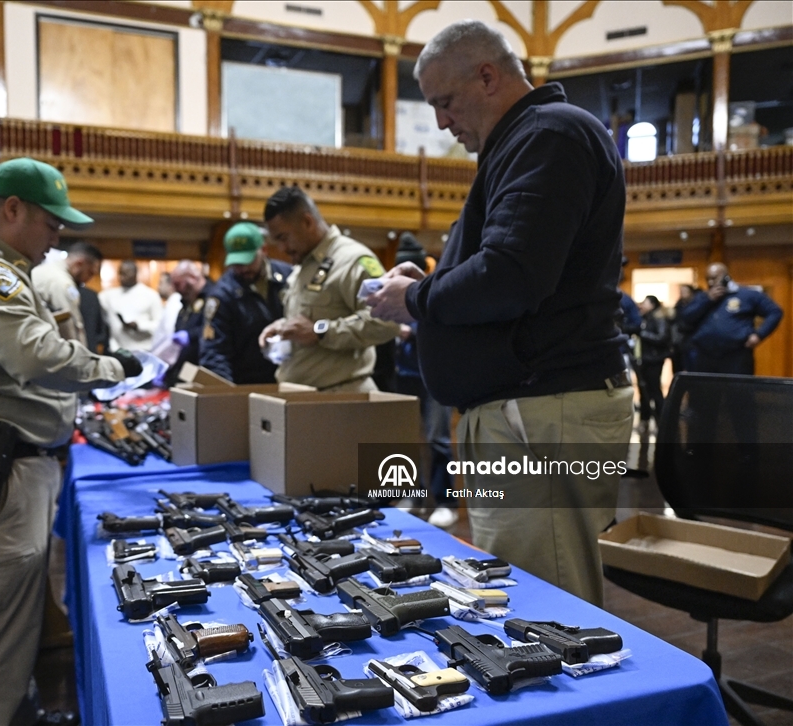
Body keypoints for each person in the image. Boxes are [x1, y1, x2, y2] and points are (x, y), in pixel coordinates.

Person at [366, 20, 632, 606]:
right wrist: (428, 287)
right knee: (523, 595)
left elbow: (511, 275)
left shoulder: (548, 134)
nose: (442, 122)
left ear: (487, 76)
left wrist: (415, 299)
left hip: (541, 410)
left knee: (546, 611)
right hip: (527, 411)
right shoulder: (526, 140)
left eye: (445, 101)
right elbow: (510, 267)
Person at [0, 157, 141, 726]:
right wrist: (113, 369)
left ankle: (17, 711)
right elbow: (33, 355)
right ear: (13, 209)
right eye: (52, 223)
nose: (56, 238)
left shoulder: (1, 267)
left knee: (11, 628)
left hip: (8, 465)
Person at [257, 186, 400, 391]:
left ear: (307, 222)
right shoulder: (303, 265)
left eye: (283, 238)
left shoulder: (353, 260)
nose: (281, 248)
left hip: (342, 397)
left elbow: (387, 322)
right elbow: (313, 317)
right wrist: (284, 327)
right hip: (304, 396)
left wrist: (320, 331)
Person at [391, 233, 457, 529]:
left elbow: (447, 327)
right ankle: (411, 494)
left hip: (435, 377)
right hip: (404, 374)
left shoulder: (437, 288)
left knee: (437, 439)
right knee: (404, 440)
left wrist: (413, 331)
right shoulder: (394, 290)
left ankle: (445, 502)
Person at [200, 222, 292, 384]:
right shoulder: (222, 295)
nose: (242, 269)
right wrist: (225, 390)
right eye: (236, 263)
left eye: (248, 261)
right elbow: (214, 352)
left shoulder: (289, 277)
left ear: (264, 250)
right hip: (248, 382)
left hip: (291, 377)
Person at [680, 262, 783, 375]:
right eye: (708, 279)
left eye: (714, 278)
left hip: (736, 355)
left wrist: (759, 335)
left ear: (726, 277)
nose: (710, 282)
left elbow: (775, 312)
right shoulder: (702, 297)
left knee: (736, 386)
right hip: (705, 356)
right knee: (705, 386)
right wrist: (708, 300)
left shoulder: (747, 295)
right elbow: (686, 317)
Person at [31, 241, 103, 346]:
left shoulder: (43, 270)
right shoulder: (63, 283)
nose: (89, 279)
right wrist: (80, 353)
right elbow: (70, 328)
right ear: (79, 264)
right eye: (90, 273)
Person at [163, 260, 214, 387]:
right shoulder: (186, 301)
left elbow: (215, 329)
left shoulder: (214, 296)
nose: (175, 289)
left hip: (206, 369)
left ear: (192, 278)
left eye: (178, 284)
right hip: (184, 371)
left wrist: (190, 336)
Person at [99, 259, 162, 352]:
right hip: (117, 350)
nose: (121, 277)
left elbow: (159, 325)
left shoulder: (150, 295)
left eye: (125, 274)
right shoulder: (108, 296)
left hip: (143, 350)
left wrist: (138, 325)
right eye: (120, 273)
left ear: (135, 273)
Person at [635, 295, 670, 433]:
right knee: (644, 391)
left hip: (654, 359)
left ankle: (661, 422)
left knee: (655, 390)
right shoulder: (646, 318)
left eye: (645, 303)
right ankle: (645, 420)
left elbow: (662, 337)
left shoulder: (658, 318)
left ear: (652, 305)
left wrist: (643, 334)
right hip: (645, 359)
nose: (642, 305)